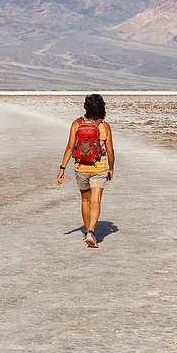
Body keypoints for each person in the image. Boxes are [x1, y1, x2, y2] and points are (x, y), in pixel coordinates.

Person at [55, 93, 114, 248]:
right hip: (99, 167)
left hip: (80, 167)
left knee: (85, 200)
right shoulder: (104, 126)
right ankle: (91, 232)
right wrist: (111, 168)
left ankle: (88, 230)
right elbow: (110, 151)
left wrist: (62, 168)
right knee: (96, 200)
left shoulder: (77, 123)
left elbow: (69, 147)